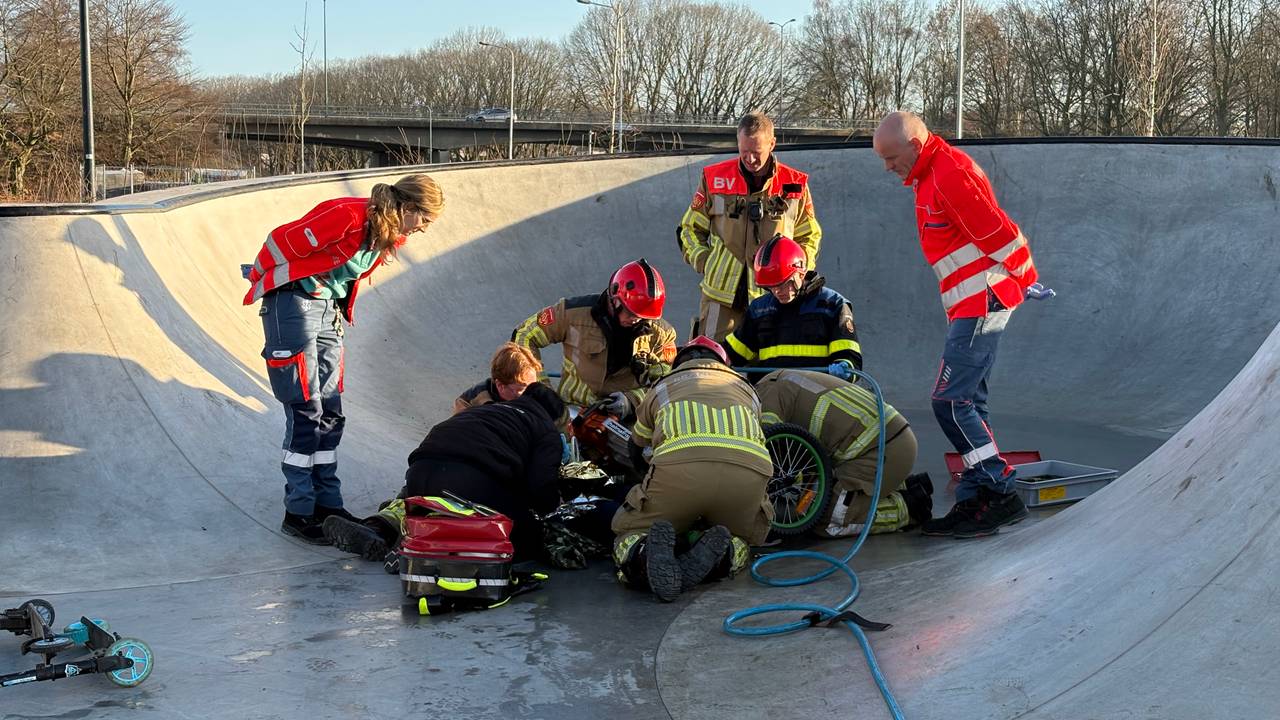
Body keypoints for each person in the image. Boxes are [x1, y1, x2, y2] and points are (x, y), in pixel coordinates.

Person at [244, 174, 444, 544]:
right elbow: (279, 241)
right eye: (425, 220)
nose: (424, 229)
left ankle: (328, 505)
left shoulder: (385, 236)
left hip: (327, 312)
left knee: (331, 411)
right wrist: (267, 281)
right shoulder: (349, 215)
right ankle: (299, 512)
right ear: (410, 208)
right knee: (306, 411)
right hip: (293, 307)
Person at [872, 111, 1040, 538]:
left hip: (984, 299)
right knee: (970, 403)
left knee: (950, 402)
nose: (888, 168)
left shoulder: (949, 173)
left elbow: (998, 231)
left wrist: (1027, 276)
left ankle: (1000, 492)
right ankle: (979, 495)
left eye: (891, 158)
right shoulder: (928, 176)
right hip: (969, 302)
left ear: (913, 145)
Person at [322, 381, 566, 562]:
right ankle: (441, 551)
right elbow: (540, 488)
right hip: (469, 482)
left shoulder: (488, 410)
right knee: (528, 536)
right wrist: (553, 510)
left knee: (426, 508)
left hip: (419, 473)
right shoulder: (545, 428)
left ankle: (384, 532)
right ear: (553, 417)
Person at [611, 337, 773, 602]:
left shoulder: (662, 385)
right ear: (722, 362)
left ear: (680, 363)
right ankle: (721, 558)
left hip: (679, 473)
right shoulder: (747, 388)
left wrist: (647, 485)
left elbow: (635, 445)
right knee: (742, 538)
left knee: (627, 532)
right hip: (747, 475)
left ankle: (644, 555)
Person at [678, 110, 823, 342]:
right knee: (712, 364)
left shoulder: (794, 184)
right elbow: (689, 229)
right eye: (744, 151)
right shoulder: (714, 179)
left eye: (756, 152)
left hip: (774, 295)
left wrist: (796, 275)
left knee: (771, 367)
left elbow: (809, 236)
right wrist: (706, 262)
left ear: (772, 144)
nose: (750, 159)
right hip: (720, 296)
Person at [754, 369, 932, 537]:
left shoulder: (766, 400)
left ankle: (909, 507)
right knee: (806, 508)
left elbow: (764, 456)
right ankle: (903, 485)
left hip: (883, 448)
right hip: (886, 441)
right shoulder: (773, 384)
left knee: (826, 521)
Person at [511, 258, 678, 419]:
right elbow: (524, 335)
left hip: (623, 421)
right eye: (631, 312)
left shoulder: (662, 335)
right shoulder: (573, 314)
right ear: (615, 298)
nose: (636, 319)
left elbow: (666, 384)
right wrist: (541, 390)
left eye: (642, 316)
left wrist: (630, 401)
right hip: (570, 410)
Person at [724, 234, 862, 379]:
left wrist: (846, 369)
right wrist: (708, 353)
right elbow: (733, 353)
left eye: (782, 284)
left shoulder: (832, 305)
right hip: (771, 392)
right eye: (771, 286)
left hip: (818, 390)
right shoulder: (759, 310)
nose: (777, 291)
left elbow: (851, 360)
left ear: (800, 273)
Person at [453, 342, 542, 414]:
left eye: (534, 385)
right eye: (523, 389)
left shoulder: (535, 396)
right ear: (500, 385)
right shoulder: (468, 404)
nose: (531, 393)